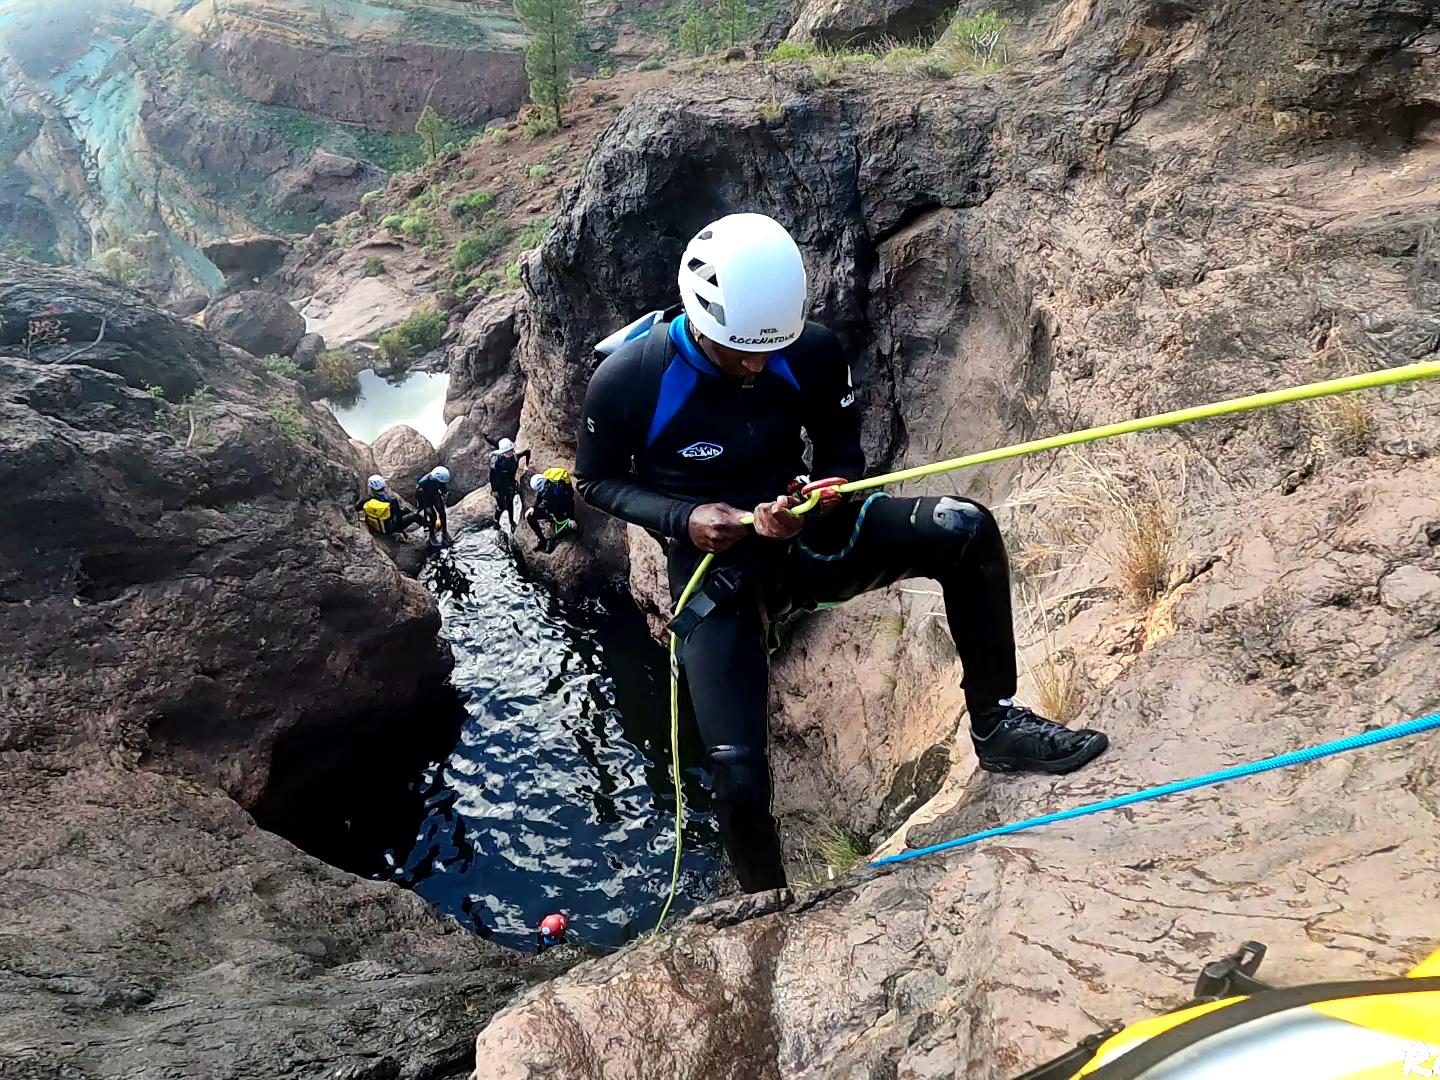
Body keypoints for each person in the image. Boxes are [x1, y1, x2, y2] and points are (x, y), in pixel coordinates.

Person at [575, 212, 1110, 893]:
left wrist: (827, 491)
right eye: (737, 351)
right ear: (698, 318)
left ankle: (996, 725)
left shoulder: (811, 351)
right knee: (736, 773)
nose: (756, 365)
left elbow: (842, 451)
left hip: (809, 542)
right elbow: (595, 479)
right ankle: (766, 904)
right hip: (718, 574)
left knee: (963, 528)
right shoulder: (632, 377)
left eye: (769, 349)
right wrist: (685, 518)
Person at [525, 468, 577, 553]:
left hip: (561, 510)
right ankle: (542, 540)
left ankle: (555, 539)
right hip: (550, 509)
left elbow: (569, 502)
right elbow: (539, 496)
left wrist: (571, 519)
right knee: (530, 517)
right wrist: (533, 507)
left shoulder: (559, 489)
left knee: (561, 531)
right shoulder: (544, 487)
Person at [484, 435, 531, 529]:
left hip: (510, 484)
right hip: (499, 486)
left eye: (510, 451)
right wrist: (494, 490)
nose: (509, 453)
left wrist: (526, 465)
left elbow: (527, 452)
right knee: (501, 506)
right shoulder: (497, 462)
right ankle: (496, 521)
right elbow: (492, 477)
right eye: (506, 452)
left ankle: (511, 522)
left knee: (510, 503)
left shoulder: (515, 458)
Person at [357, 474, 424, 537]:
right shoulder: (392, 502)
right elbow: (398, 518)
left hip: (375, 527)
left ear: (371, 488)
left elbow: (357, 508)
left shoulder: (367, 501)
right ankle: (431, 530)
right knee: (415, 516)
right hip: (389, 530)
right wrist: (405, 511)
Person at [415, 466, 452, 548]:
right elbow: (419, 495)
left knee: (442, 512)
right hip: (425, 498)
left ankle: (444, 531)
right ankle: (432, 534)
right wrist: (425, 507)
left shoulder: (439, 481)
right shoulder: (423, 482)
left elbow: (443, 488)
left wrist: (444, 495)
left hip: (434, 494)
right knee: (432, 516)